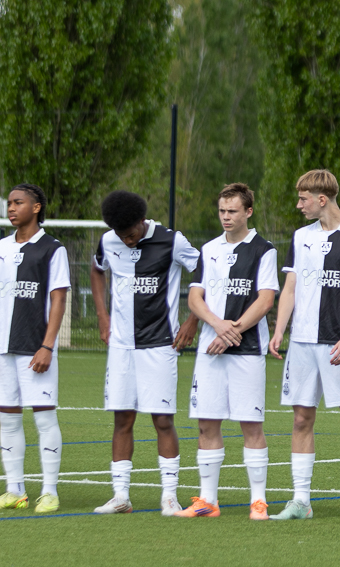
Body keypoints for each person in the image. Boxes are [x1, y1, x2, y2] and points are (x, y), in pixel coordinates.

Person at [268, 169, 340, 521]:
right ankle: (301, 501)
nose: (298, 205)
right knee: (301, 418)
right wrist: (279, 329)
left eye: (303, 198)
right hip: (301, 344)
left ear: (322, 199)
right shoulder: (301, 237)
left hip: (337, 343)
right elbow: (290, 287)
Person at [90, 190, 200, 515]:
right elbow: (97, 270)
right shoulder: (108, 240)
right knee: (122, 418)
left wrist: (193, 320)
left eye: (132, 234)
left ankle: (169, 497)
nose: (127, 241)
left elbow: (206, 272)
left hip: (160, 344)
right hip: (122, 346)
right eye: (121, 236)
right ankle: (121, 496)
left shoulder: (172, 241)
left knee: (162, 420)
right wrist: (102, 316)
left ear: (142, 221)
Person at [176, 183, 278, 520]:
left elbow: (265, 300)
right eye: (222, 211)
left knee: (251, 424)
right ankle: (207, 500)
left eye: (232, 211)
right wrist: (219, 326)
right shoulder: (209, 249)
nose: (226, 217)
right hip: (211, 349)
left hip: (247, 350)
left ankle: (258, 501)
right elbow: (194, 298)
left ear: (248, 211)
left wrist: (232, 331)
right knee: (207, 424)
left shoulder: (264, 249)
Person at [0, 184, 69, 514]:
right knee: (7, 419)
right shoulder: (1, 248)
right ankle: (15, 489)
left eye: (18, 202)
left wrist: (47, 345)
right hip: (3, 348)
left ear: (36, 207)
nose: (11, 208)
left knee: (44, 418)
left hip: (34, 348)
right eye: (9, 203)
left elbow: (58, 299)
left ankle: (49, 491)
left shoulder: (52, 249)